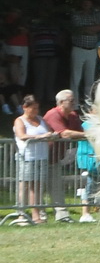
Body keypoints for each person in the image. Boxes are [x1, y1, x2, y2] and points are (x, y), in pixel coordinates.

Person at [43, 89, 86, 221]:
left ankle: (62, 215)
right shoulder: (52, 114)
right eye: (71, 101)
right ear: (61, 102)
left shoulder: (73, 116)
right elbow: (65, 134)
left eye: (74, 100)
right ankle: (38, 215)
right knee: (37, 187)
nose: (74, 103)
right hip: (40, 158)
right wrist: (89, 135)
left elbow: (80, 132)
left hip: (55, 158)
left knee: (56, 186)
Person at [13, 94, 52, 224]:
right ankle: (22, 214)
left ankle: (37, 214)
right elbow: (22, 135)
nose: (36, 111)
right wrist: (41, 137)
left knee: (38, 186)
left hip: (42, 157)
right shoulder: (20, 120)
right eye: (33, 108)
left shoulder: (41, 119)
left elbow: (49, 132)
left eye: (37, 108)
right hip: (27, 157)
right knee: (26, 185)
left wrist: (52, 136)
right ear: (25, 107)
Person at [67, 0, 100, 102]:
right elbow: (78, 29)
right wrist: (93, 29)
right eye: (84, 0)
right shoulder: (76, 15)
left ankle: (88, 104)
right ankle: (74, 104)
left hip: (92, 50)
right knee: (76, 78)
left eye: (88, 1)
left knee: (90, 79)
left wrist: (86, 29)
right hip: (79, 49)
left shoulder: (95, 16)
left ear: (91, 3)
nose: (86, 3)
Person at [1, 8, 28, 87]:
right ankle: (16, 88)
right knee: (15, 68)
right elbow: (10, 33)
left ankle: (19, 88)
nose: (18, 13)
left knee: (22, 69)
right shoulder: (9, 20)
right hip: (14, 45)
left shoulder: (20, 20)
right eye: (16, 11)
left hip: (23, 45)